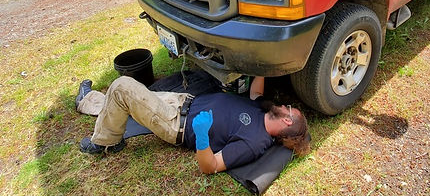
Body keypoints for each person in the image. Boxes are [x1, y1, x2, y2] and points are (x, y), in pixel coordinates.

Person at [78, 75, 310, 173]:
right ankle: (87, 100)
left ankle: (104, 143)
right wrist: (263, 68)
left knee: (122, 87)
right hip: (182, 102)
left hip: (175, 122)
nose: (284, 105)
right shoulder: (262, 109)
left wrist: (200, 135)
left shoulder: (254, 143)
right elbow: (256, 91)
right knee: (126, 101)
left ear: (287, 120)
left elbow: (211, 166)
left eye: (288, 109)